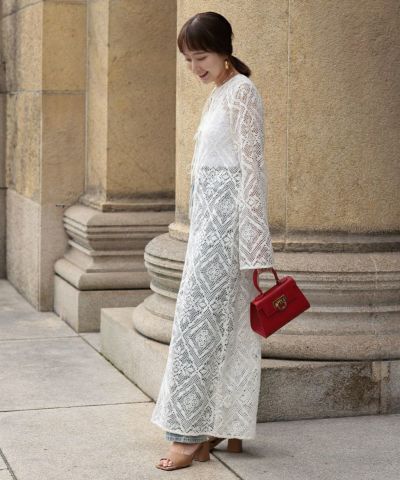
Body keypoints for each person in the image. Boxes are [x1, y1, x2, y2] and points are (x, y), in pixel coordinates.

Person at [152, 11, 275, 471]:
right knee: (211, 326)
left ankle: (189, 435)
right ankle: (216, 425)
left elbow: (252, 169)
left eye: (200, 57)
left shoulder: (242, 91)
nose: (194, 68)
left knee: (200, 325)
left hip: (228, 231)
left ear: (224, 49)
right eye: (188, 59)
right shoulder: (220, 93)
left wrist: (255, 245)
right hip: (208, 228)